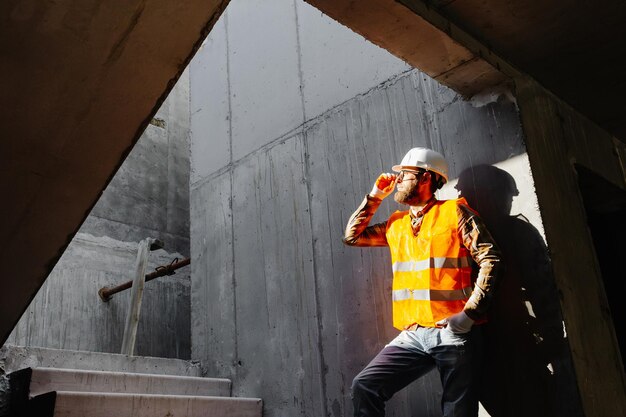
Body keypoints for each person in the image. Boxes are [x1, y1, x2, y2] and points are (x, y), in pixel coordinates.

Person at [343, 147, 502, 417]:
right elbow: (352, 236)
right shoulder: (397, 224)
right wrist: (375, 196)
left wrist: (469, 315)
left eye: (404, 174)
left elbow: (490, 259)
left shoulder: (456, 213)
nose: (398, 181)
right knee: (365, 386)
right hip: (413, 334)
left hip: (454, 332)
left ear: (426, 178)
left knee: (457, 413)